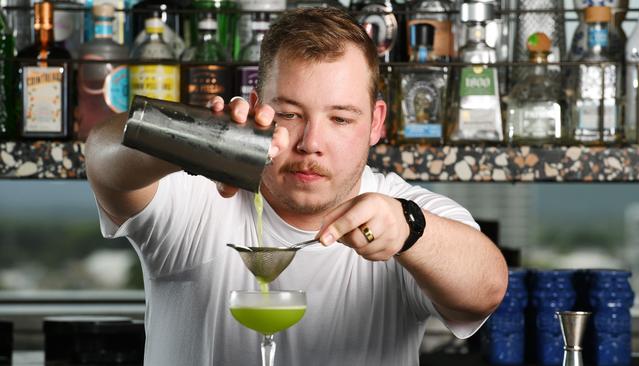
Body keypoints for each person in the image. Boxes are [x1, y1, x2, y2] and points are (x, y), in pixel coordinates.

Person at [85, 7, 508, 366]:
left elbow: (486, 290)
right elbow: (102, 157)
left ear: (376, 122)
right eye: (289, 114)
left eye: (340, 118)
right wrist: (201, 139)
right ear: (256, 108)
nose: (311, 145)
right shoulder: (197, 192)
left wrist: (411, 230)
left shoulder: (401, 212)